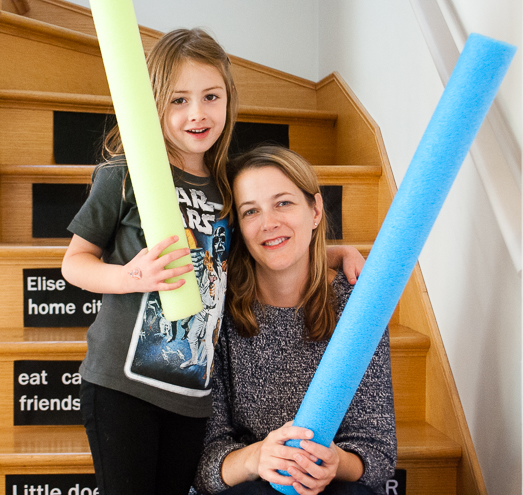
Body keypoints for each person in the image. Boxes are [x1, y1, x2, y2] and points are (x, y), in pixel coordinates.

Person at [61, 29, 366, 494]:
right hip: (122, 387)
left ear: (228, 101)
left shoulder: (228, 184)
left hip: (192, 396)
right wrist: (128, 275)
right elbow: (74, 262)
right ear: (155, 103)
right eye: (179, 100)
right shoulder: (124, 174)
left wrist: (330, 250)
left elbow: (254, 247)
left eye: (211, 97)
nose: (197, 113)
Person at [192, 146, 396, 495]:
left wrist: (336, 462)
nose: (269, 223)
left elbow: (376, 451)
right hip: (250, 485)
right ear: (238, 227)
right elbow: (205, 466)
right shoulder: (215, 311)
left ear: (315, 210)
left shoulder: (357, 307)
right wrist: (257, 457)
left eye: (283, 203)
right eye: (251, 211)